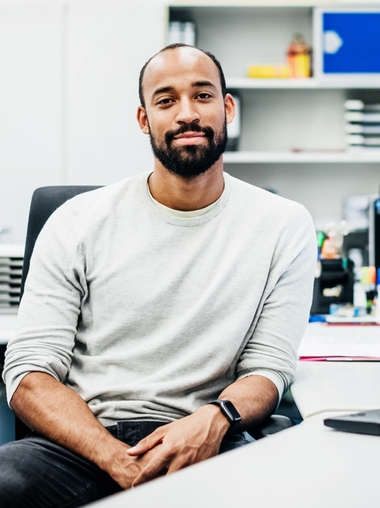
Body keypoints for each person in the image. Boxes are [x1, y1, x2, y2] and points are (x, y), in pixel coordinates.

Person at [0, 44, 317, 507]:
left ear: (228, 108)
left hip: (209, 435)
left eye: (203, 96)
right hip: (84, 440)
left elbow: (268, 369)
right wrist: (113, 456)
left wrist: (216, 419)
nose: (187, 113)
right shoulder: (77, 221)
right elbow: (28, 372)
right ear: (144, 120)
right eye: (166, 100)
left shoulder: (282, 224)